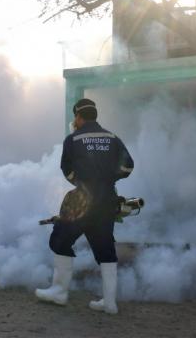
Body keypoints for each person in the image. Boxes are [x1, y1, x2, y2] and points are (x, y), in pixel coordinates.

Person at [35, 98, 134, 314]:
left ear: (79, 117)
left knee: (60, 240)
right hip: (107, 200)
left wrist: (81, 182)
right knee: (105, 249)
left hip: (81, 200)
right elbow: (128, 166)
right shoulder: (112, 138)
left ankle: (59, 292)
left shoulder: (73, 139)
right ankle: (109, 303)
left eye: (75, 117)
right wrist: (108, 180)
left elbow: (66, 168)